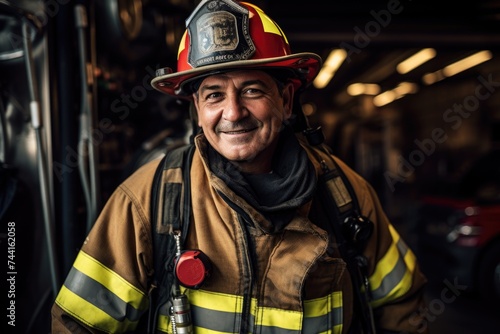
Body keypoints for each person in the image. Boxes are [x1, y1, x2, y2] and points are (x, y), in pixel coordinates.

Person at [51, 0, 429, 333]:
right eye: (214, 95)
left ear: (285, 98)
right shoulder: (147, 202)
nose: (233, 113)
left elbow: (402, 306)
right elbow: (78, 325)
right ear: (197, 110)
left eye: (252, 90)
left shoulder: (347, 196)